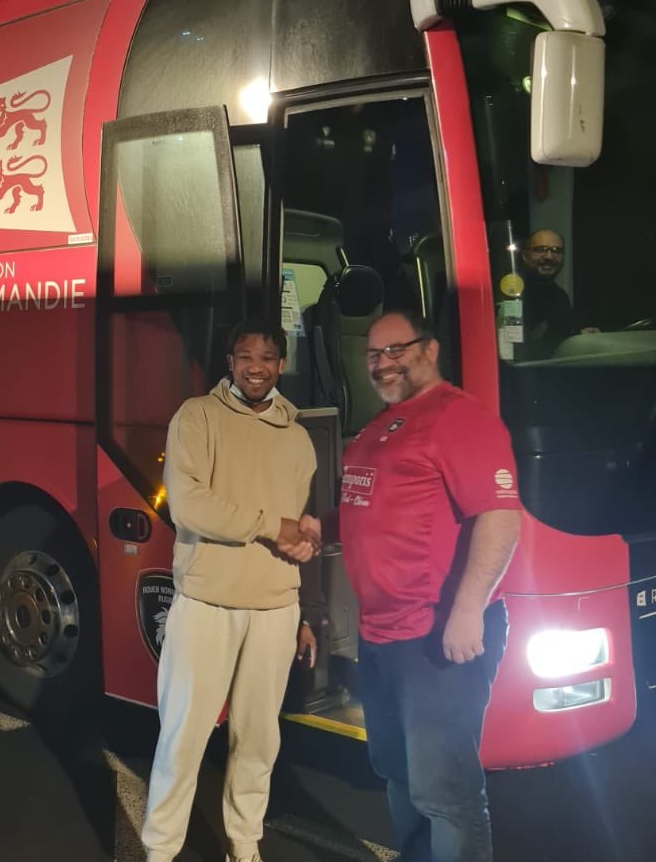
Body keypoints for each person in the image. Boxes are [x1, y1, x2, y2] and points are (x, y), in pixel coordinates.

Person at [298, 309, 521, 862]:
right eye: (373, 355)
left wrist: (469, 610)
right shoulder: (381, 426)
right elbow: (366, 506)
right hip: (382, 637)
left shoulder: (459, 417)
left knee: (444, 792)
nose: (382, 364)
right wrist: (319, 526)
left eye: (396, 350)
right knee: (397, 775)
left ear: (430, 349)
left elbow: (499, 515)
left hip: (435, 636)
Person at [142, 319, 320, 862]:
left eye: (267, 358)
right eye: (246, 357)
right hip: (206, 604)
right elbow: (188, 505)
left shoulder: (298, 438)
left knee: (259, 741)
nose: (257, 367)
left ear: (282, 365)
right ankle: (160, 848)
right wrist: (275, 525)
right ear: (230, 361)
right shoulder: (196, 417)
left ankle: (244, 845)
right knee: (183, 736)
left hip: (275, 609)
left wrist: (304, 603)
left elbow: (297, 529)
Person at [513, 228, 586, 358]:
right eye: (541, 249)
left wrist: (579, 337)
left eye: (556, 251)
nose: (549, 257)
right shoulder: (511, 293)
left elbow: (557, 342)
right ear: (525, 256)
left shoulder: (560, 297)